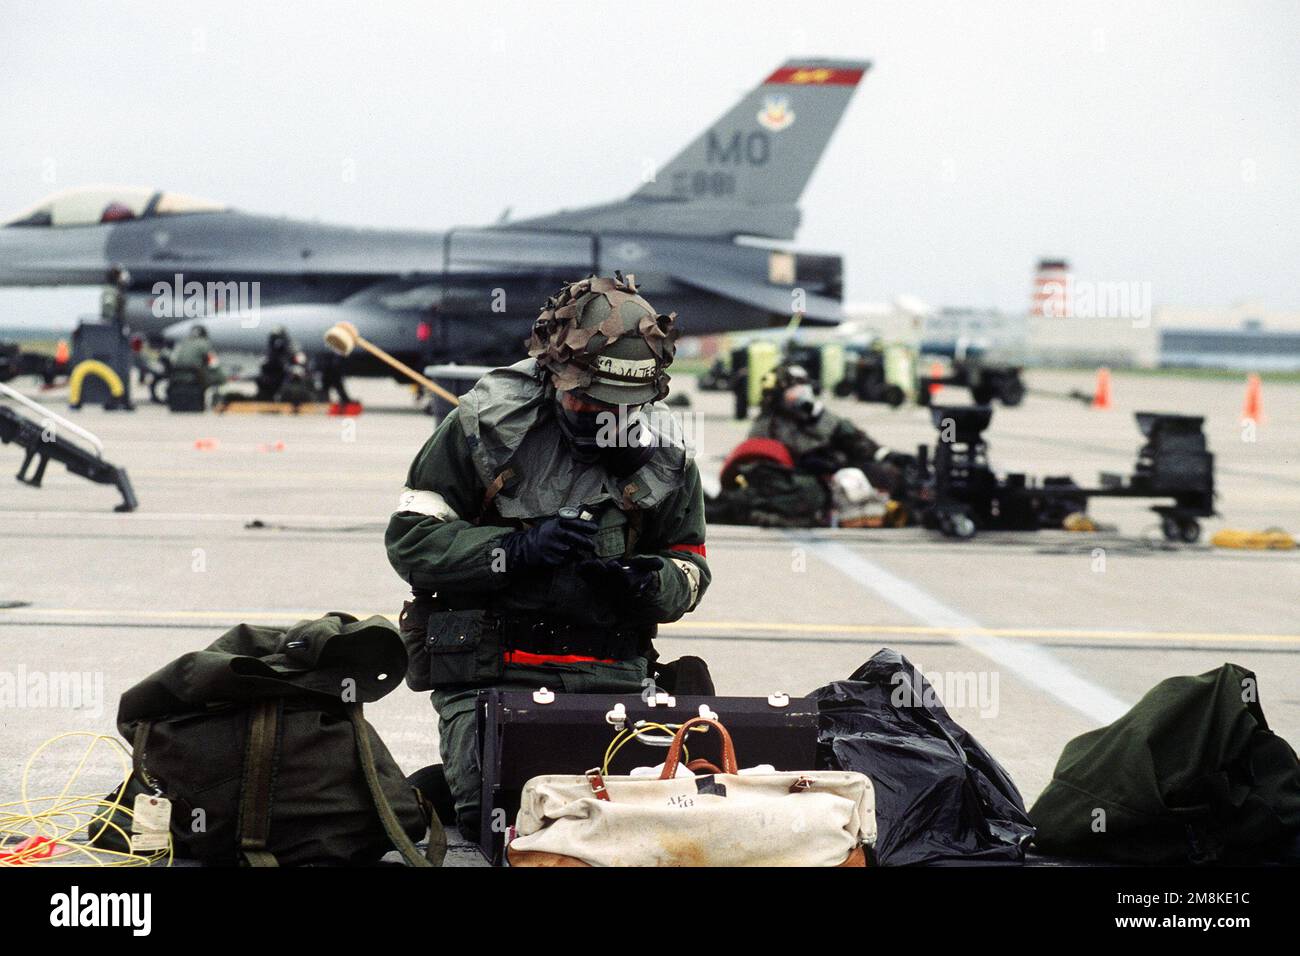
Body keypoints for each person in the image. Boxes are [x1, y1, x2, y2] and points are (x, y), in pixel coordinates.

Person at [385, 275, 710, 839]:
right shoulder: (485, 426)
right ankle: (444, 792)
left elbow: (690, 566)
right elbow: (411, 541)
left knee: (631, 828)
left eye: (619, 405)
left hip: (614, 678)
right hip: (494, 675)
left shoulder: (667, 456)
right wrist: (511, 551)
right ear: (555, 374)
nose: (598, 414)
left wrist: (648, 581)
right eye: (585, 398)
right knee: (501, 820)